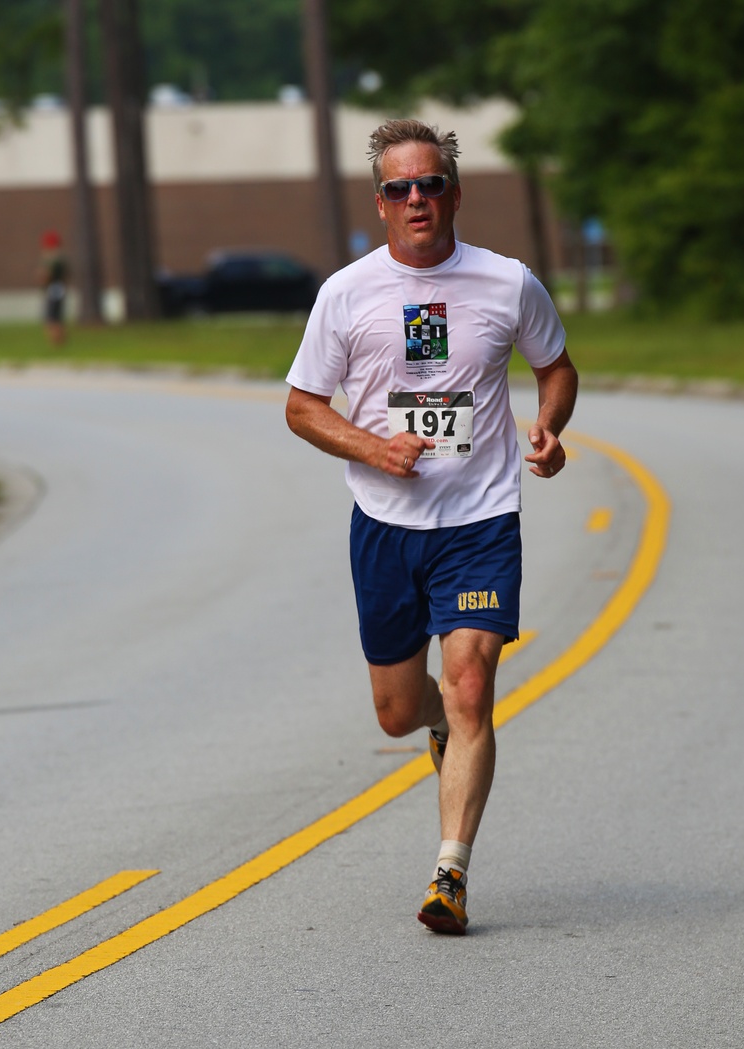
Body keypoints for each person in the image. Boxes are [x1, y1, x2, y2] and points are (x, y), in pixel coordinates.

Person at [285, 118, 578, 935]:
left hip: (480, 520)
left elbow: (555, 366)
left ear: (455, 192)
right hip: (385, 523)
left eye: (430, 184)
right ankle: (439, 723)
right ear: (379, 203)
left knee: (474, 683)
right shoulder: (345, 292)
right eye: (398, 188)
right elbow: (302, 407)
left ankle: (449, 872)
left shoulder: (508, 282)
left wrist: (550, 425)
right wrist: (374, 447)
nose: (416, 199)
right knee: (395, 708)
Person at [38, 230, 68, 346]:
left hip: (52, 289)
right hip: (60, 288)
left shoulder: (52, 260)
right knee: (58, 316)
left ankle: (56, 342)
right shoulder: (61, 259)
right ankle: (60, 341)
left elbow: (45, 275)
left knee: (51, 318)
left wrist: (41, 275)